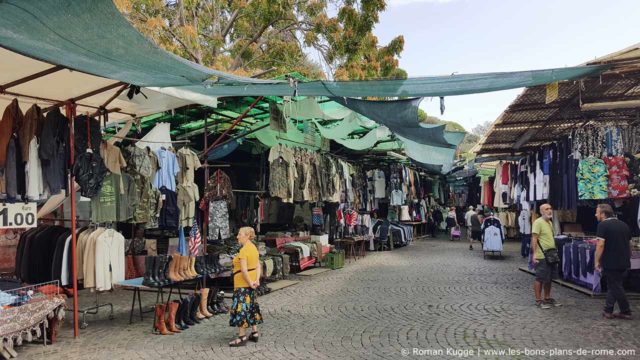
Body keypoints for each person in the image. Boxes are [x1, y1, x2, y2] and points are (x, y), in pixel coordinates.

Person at [594, 204, 632, 320]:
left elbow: (600, 245)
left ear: (603, 214)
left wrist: (596, 261)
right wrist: (628, 256)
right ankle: (608, 310)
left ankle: (626, 311)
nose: (595, 215)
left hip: (611, 261)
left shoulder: (603, 225)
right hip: (624, 261)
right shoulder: (624, 225)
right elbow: (629, 244)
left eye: (597, 212)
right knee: (614, 285)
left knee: (616, 286)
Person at [228, 227, 263, 346]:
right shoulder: (253, 248)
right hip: (252, 283)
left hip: (243, 285)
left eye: (240, 234)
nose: (237, 236)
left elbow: (243, 270)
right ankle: (254, 332)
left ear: (247, 236)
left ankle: (242, 337)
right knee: (252, 307)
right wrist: (256, 280)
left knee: (241, 309)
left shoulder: (244, 251)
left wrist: (249, 283)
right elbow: (258, 266)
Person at [531, 203, 561, 309]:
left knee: (549, 278)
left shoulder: (549, 222)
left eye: (550, 208)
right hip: (542, 255)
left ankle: (547, 298)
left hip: (551, 254)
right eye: (546, 209)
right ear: (541, 211)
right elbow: (534, 238)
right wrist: (534, 254)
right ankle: (538, 300)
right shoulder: (538, 222)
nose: (549, 210)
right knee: (540, 278)